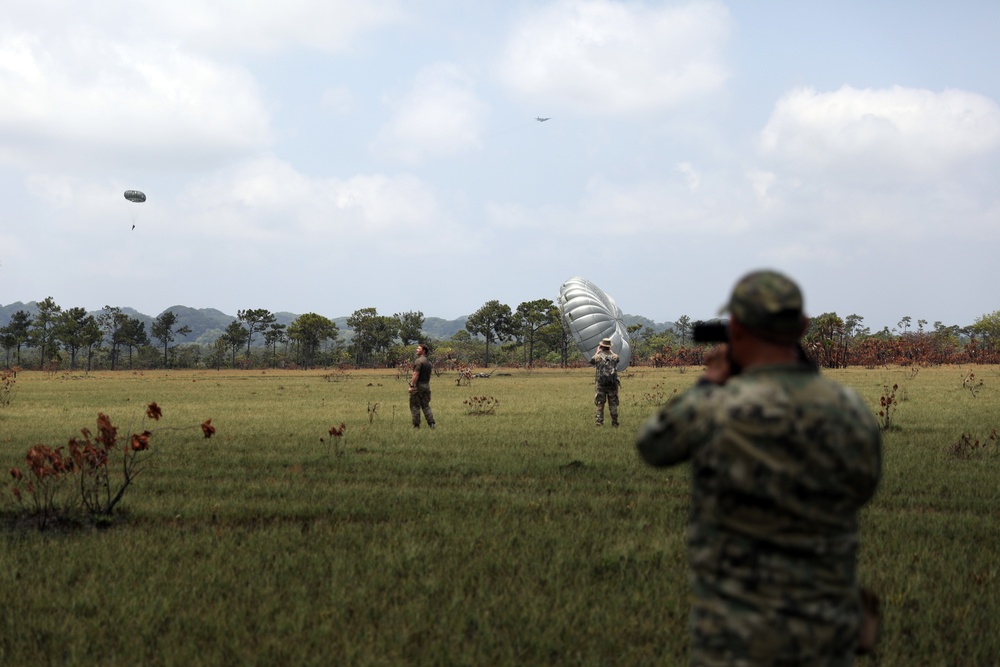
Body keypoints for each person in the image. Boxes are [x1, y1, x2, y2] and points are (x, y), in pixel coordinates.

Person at [635, 269, 882, 666]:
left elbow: (654, 445)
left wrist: (709, 383)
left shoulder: (716, 406)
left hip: (737, 636)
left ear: (735, 329)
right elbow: (864, 487)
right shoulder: (849, 408)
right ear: (801, 326)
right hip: (827, 633)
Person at [590, 337, 620, 427]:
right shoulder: (614, 357)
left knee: (600, 403)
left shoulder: (598, 357)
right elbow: (617, 358)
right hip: (612, 385)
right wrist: (611, 351)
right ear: (609, 347)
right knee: (613, 404)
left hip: (601, 384)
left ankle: (599, 422)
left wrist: (597, 351)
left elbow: (591, 361)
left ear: (601, 346)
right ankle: (614, 422)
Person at [409, 342, 435, 429]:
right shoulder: (428, 362)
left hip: (418, 386)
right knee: (426, 405)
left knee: (415, 405)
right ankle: (431, 423)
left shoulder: (418, 361)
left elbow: (416, 374)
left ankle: (416, 425)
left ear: (423, 351)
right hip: (426, 385)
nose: (417, 350)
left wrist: (412, 386)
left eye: (418, 349)